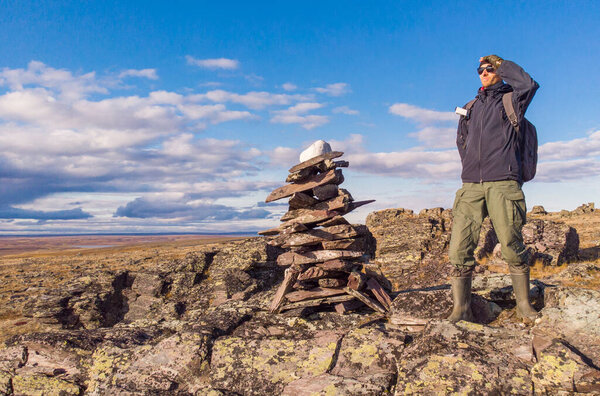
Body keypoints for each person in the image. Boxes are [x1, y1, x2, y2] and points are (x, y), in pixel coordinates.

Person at [448, 55, 539, 322]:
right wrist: (471, 170)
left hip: (503, 182)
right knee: (459, 249)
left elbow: (529, 84)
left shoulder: (512, 99)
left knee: (511, 243)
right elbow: (461, 141)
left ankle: (523, 305)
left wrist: (501, 63)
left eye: (490, 69)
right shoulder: (471, 106)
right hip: (470, 186)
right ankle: (461, 309)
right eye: (481, 69)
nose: (484, 72)